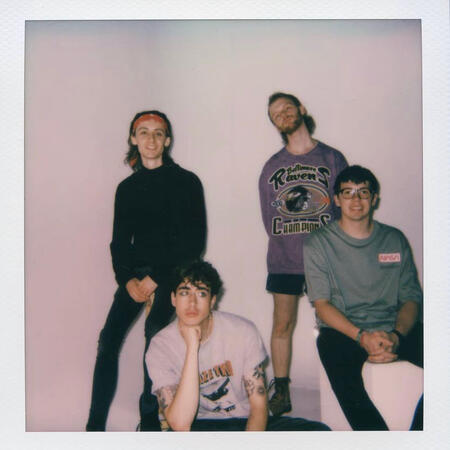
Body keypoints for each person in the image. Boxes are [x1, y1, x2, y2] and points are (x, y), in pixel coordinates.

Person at [86, 111, 207, 431]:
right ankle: (93, 428)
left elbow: (194, 243)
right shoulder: (127, 188)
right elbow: (119, 243)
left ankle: (149, 420)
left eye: (158, 133)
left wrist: (157, 278)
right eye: (143, 132)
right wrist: (127, 280)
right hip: (136, 277)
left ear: (167, 140)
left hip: (173, 273)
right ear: (133, 138)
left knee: (154, 334)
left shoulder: (187, 182)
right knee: (107, 341)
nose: (150, 139)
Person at [303, 165, 423, 430]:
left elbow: (411, 299)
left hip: (394, 328)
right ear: (336, 199)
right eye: (347, 192)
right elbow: (322, 305)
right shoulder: (318, 243)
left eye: (363, 192)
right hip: (345, 331)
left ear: (374, 198)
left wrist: (396, 336)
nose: (356, 200)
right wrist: (362, 337)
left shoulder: (394, 239)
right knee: (346, 383)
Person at [146, 260, 330, 431]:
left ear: (212, 301)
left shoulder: (242, 331)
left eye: (201, 293)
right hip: (198, 426)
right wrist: (192, 347)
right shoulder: (160, 347)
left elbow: (258, 407)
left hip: (246, 421)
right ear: (173, 299)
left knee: (320, 433)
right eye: (184, 293)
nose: (192, 303)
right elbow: (180, 424)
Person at [259, 92, 348, 416]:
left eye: (287, 108)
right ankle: (282, 390)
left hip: (325, 258)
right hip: (285, 259)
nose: (282, 114)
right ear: (274, 123)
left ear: (301, 109)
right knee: (281, 325)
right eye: (275, 114)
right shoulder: (272, 166)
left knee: (333, 324)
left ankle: (342, 384)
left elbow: (345, 208)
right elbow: (269, 217)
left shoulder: (332, 158)